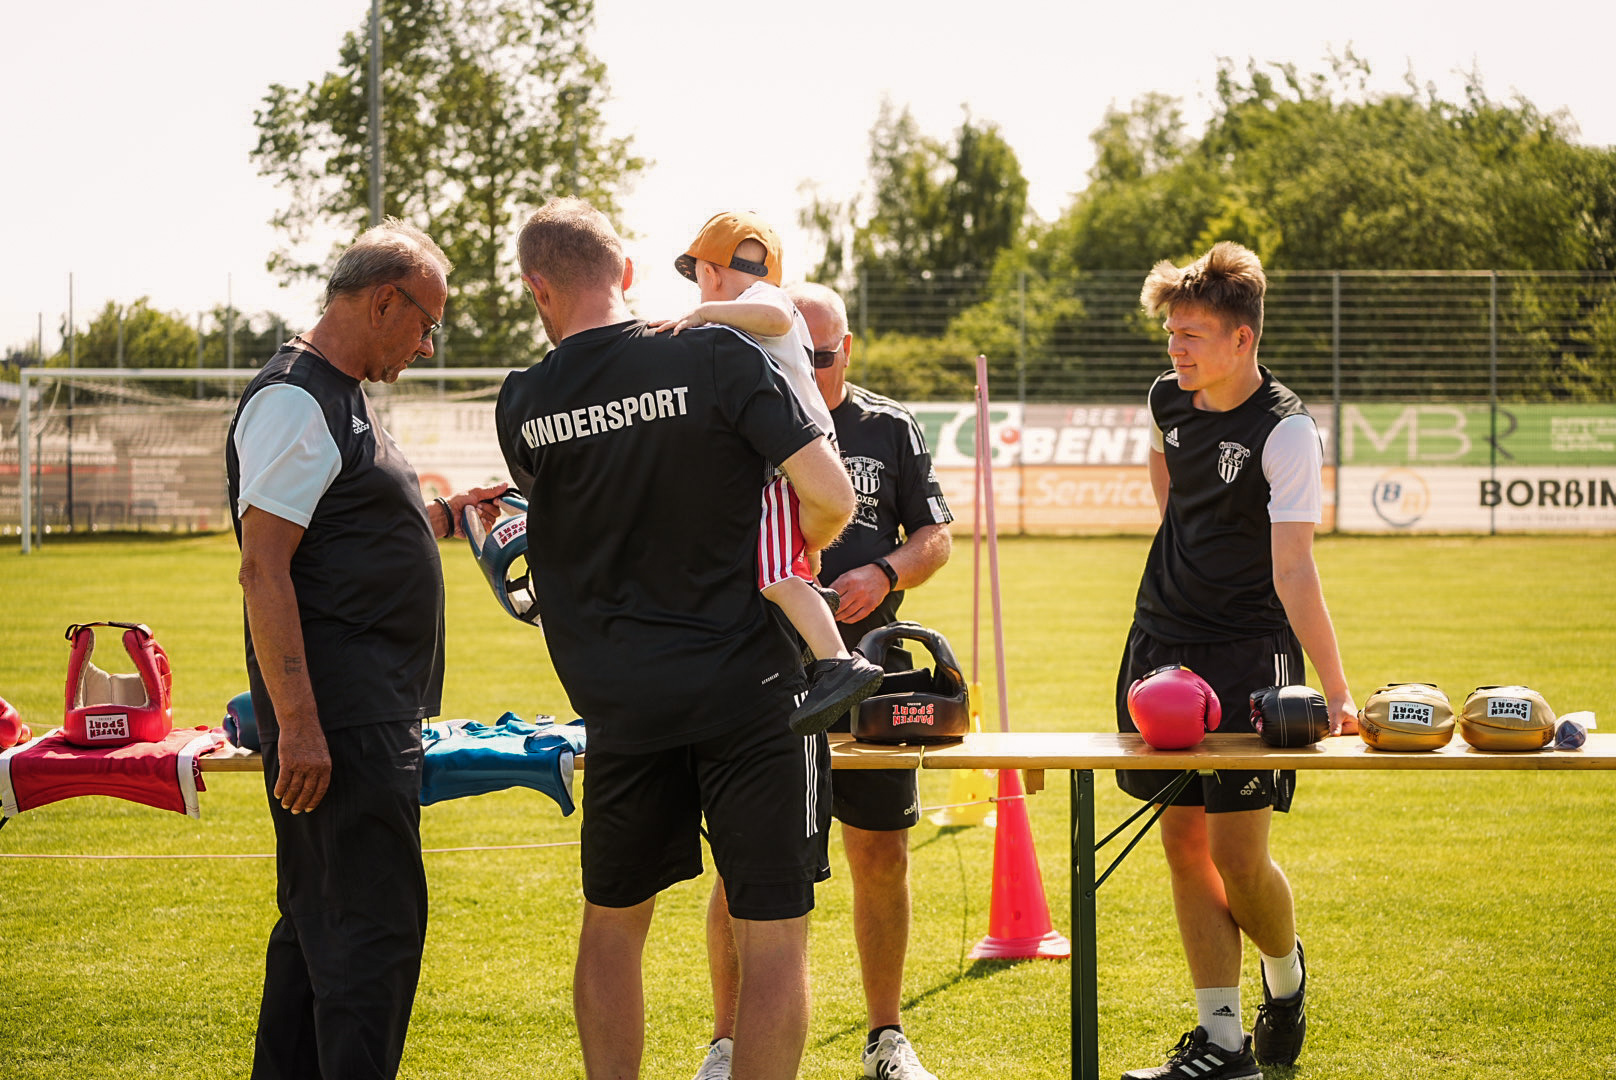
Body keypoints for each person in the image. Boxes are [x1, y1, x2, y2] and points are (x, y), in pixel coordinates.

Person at [493, 197, 856, 1080]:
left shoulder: (524, 400)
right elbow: (833, 496)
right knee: (773, 937)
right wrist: (798, 547)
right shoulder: (714, 353)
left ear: (538, 289)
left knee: (613, 923)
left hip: (621, 703)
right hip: (750, 694)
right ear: (625, 273)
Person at [226, 218, 505, 1080]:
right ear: (384, 301)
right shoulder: (296, 399)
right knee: (367, 945)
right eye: (427, 323)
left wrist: (442, 517)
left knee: (320, 937)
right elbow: (264, 569)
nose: (428, 344)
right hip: (339, 728)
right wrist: (300, 725)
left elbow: (341, 532)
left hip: (359, 718)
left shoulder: (339, 396)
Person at [695, 282, 955, 1080]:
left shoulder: (889, 425)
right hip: (764, 675)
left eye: (826, 356)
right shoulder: (741, 413)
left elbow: (936, 537)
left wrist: (884, 572)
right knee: (745, 865)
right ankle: (728, 1044)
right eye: (796, 355)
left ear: (850, 349)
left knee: (881, 856)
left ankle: (886, 1039)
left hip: (873, 677)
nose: (811, 369)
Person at [1113, 242, 1356, 1080]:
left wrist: (1337, 691)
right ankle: (1221, 1043)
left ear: (1243, 339)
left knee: (1238, 860)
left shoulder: (1286, 431)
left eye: (1193, 335)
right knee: (1184, 844)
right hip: (1160, 647)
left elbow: (1296, 572)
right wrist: (1184, 545)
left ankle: (1285, 980)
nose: (1175, 349)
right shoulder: (1165, 399)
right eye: (1171, 333)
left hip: (1252, 655)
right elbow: (1168, 478)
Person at [653, 210, 883, 737]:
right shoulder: (751, 309)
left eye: (700, 280)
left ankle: (838, 663)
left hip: (793, 453)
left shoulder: (766, 299)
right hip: (801, 447)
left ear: (709, 271)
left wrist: (703, 313)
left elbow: (776, 319)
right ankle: (816, 601)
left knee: (776, 573)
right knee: (791, 557)